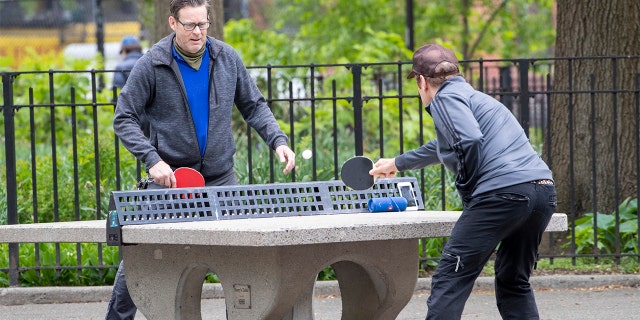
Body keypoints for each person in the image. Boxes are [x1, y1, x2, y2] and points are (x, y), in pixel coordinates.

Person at [108, 0, 296, 318]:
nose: (198, 32)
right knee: (141, 258)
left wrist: (278, 140)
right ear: (172, 23)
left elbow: (254, 105)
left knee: (240, 258)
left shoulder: (226, 57)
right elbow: (123, 118)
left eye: (203, 24)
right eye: (190, 25)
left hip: (221, 178)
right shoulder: (152, 64)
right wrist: (152, 160)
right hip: (171, 181)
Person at [369, 44, 557, 320]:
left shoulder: (445, 98)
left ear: (421, 82)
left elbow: (468, 140)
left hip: (502, 195)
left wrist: (468, 189)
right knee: (513, 281)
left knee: (449, 280)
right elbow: (445, 144)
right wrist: (396, 163)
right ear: (456, 73)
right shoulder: (475, 98)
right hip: (542, 192)